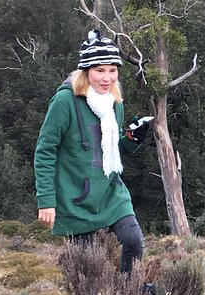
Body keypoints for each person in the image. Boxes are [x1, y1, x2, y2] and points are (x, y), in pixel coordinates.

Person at [34, 29, 150, 273]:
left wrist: (132, 139)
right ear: (86, 72)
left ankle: (130, 291)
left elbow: (112, 147)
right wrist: (46, 200)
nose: (107, 78)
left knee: (133, 241)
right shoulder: (64, 103)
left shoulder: (114, 102)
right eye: (99, 70)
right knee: (89, 269)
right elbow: (45, 151)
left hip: (110, 191)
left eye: (112, 70)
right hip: (76, 197)